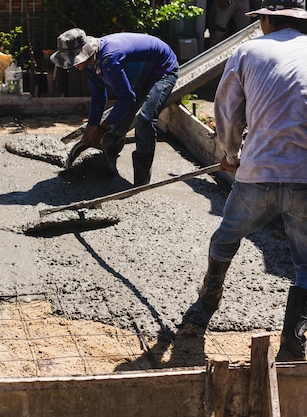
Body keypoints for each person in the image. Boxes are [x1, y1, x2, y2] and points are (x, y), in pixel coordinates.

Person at [184, 0, 307, 361]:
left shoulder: (248, 49)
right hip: (305, 179)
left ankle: (206, 302)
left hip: (259, 174)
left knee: (226, 237)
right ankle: (293, 344)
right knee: (305, 264)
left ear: (268, 20)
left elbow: (226, 109)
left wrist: (231, 155)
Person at [51, 29, 179, 186]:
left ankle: (141, 180)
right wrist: (91, 127)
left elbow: (127, 98)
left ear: (85, 52)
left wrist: (101, 129)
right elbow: (99, 96)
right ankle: (107, 167)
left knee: (145, 118)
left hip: (162, 69)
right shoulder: (91, 63)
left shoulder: (109, 58)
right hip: (142, 72)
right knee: (118, 118)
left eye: (74, 61)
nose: (74, 66)